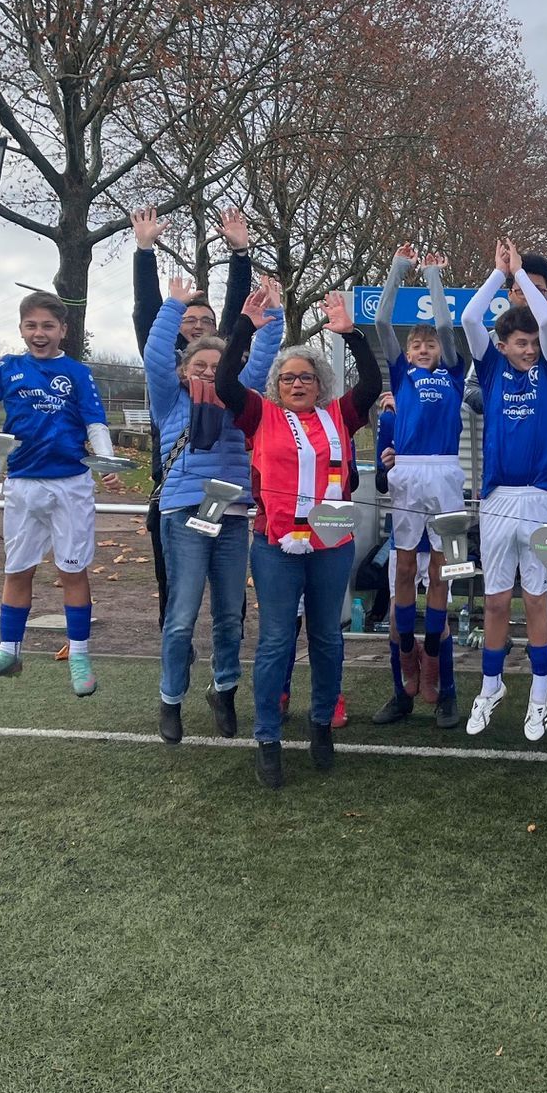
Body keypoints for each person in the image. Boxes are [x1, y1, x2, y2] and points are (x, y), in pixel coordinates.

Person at [216, 288, 382, 789]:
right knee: (276, 639)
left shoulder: (340, 415)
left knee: (328, 637)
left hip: (331, 545)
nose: (297, 383)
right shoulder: (259, 414)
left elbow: (371, 383)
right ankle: (267, 737)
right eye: (288, 377)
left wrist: (352, 334)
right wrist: (244, 328)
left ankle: (321, 723)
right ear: (277, 385)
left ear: (320, 383)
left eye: (306, 377)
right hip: (276, 545)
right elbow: (225, 383)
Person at [0, 292, 123, 695]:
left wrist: (107, 464)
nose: (39, 333)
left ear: (63, 330)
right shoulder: (8, 368)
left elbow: (96, 424)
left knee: (72, 571)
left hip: (70, 485)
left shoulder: (77, 373)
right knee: (17, 569)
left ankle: (79, 655)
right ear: (21, 329)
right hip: (22, 484)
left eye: (48, 326)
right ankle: (8, 652)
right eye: (31, 325)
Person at [144, 275, 283, 744]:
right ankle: (170, 698)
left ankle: (224, 689)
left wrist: (272, 315)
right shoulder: (169, 399)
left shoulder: (237, 399)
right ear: (184, 370)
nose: (207, 372)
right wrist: (172, 306)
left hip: (233, 513)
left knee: (229, 614)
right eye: (198, 365)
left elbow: (262, 358)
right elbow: (154, 356)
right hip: (184, 512)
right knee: (182, 614)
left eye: (215, 366)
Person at [130, 205, 254, 626]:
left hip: (225, 485)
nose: (198, 325)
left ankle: (228, 650)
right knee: (174, 588)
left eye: (206, 320)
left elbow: (239, 315)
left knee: (229, 590)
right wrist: (144, 251)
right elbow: (148, 314)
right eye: (190, 319)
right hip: (173, 487)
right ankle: (176, 651)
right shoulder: (166, 368)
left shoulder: (226, 367)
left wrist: (241, 256)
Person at [463, 240, 547, 739]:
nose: (528, 349)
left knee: (536, 599)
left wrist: (521, 273)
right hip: (497, 498)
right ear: (502, 345)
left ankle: (540, 693)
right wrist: (497, 274)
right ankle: (491, 686)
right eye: (519, 343)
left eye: (532, 343)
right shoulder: (490, 369)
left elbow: (546, 322)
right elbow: (469, 318)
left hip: (541, 496)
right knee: (497, 601)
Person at [370, 246, 468, 729]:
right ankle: (407, 653)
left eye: (429, 344)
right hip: (408, 471)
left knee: (442, 567)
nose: (425, 348)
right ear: (407, 353)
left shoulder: (453, 372)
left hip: (445, 471)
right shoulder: (401, 374)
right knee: (404, 565)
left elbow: (447, 326)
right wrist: (397, 269)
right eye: (417, 345)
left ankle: (433, 657)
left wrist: (432, 275)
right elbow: (382, 321)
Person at [463, 251, 547, 431]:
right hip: (499, 441)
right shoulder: (493, 338)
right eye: (522, 291)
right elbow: (470, 388)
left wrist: (538, 414)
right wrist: (503, 406)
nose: (529, 297)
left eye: (537, 290)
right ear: (509, 294)